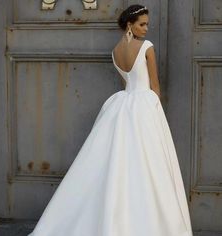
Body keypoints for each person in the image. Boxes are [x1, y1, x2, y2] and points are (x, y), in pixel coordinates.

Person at [28, 4, 193, 236]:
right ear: (130, 24)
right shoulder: (147, 47)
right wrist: (156, 115)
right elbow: (155, 87)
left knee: (116, 162)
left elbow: (127, 83)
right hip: (145, 106)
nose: (146, 28)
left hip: (122, 106)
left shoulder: (115, 51)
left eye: (147, 24)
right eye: (142, 24)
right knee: (149, 164)